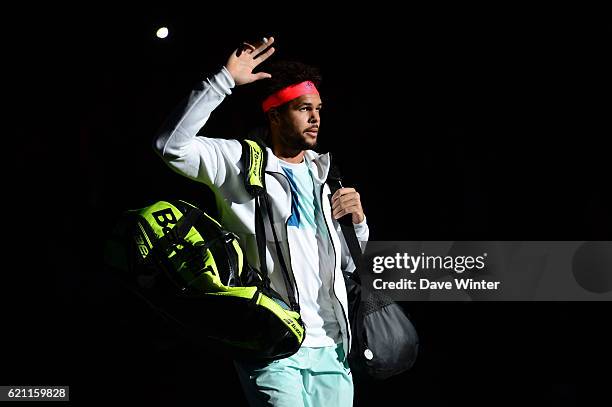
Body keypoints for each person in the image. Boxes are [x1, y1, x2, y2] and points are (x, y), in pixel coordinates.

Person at [153, 36, 368, 407]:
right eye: (304, 109)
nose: (316, 118)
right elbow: (170, 146)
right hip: (272, 344)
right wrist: (223, 81)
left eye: (318, 108)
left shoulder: (326, 175)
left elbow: (349, 265)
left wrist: (359, 225)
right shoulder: (239, 163)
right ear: (275, 115)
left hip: (332, 346)